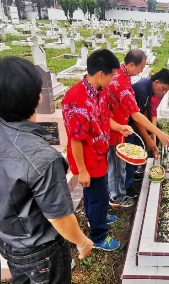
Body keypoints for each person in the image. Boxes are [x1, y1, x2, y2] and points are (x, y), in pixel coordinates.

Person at [0, 57, 92, 283]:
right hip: (42, 251)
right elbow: (59, 217)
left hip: (7, 240)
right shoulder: (43, 159)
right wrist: (82, 241)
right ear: (39, 97)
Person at [62, 49, 133, 252]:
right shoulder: (77, 99)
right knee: (96, 194)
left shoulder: (98, 92)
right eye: (112, 75)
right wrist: (82, 170)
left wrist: (118, 127)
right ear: (101, 74)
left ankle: (98, 215)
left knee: (99, 193)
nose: (113, 80)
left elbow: (102, 118)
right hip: (88, 159)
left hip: (99, 153)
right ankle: (99, 235)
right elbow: (76, 140)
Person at [107, 49, 169, 207]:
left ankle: (117, 191)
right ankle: (116, 197)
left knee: (118, 162)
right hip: (114, 128)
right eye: (140, 67)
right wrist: (157, 135)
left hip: (119, 125)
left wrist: (154, 137)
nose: (141, 70)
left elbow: (148, 111)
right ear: (131, 64)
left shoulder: (122, 75)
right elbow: (136, 115)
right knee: (117, 164)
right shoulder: (122, 83)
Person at [124, 68, 169, 195]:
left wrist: (154, 137)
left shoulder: (149, 88)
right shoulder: (142, 89)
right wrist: (149, 139)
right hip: (128, 125)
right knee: (131, 154)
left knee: (138, 150)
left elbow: (147, 111)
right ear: (156, 82)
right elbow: (137, 118)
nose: (163, 92)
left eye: (166, 90)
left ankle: (132, 174)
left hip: (136, 122)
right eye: (163, 89)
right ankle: (126, 186)